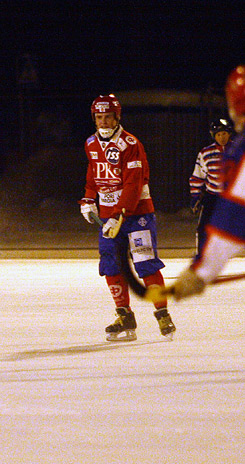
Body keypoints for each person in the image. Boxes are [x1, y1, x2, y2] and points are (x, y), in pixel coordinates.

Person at [79, 94, 175, 341]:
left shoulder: (130, 143)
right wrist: (89, 199)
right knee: (110, 263)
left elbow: (134, 184)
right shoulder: (91, 143)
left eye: (107, 117)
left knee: (145, 263)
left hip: (136, 214)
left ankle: (162, 313)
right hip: (110, 215)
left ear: (117, 117)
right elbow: (93, 174)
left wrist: (119, 213)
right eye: (98, 118)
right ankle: (125, 315)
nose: (103, 122)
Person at [170, 65, 245, 300]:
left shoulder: (240, 150)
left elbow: (234, 214)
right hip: (212, 196)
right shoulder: (211, 152)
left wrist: (202, 270)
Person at [189, 118, 234, 258]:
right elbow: (198, 176)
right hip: (213, 196)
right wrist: (195, 196)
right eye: (218, 134)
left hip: (233, 197)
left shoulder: (237, 150)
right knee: (203, 229)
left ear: (229, 134)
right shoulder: (205, 153)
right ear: (213, 135)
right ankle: (202, 256)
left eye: (224, 134)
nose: (222, 137)